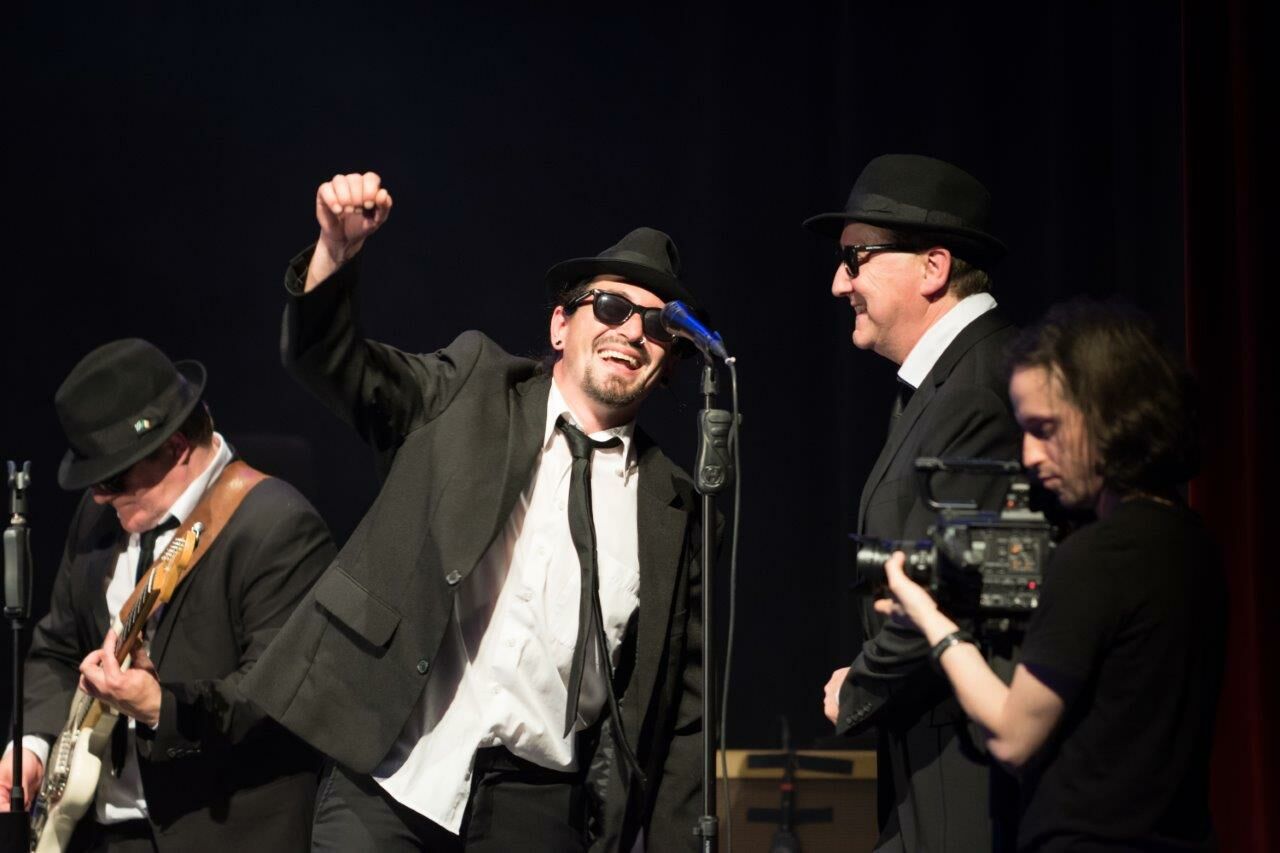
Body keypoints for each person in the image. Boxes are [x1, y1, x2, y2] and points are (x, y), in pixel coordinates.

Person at [240, 172, 705, 852]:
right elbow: (335, 365)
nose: (632, 332)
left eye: (658, 324)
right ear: (561, 324)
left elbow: (684, 712)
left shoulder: (673, 505)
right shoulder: (472, 387)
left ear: (669, 360)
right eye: (611, 306)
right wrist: (334, 254)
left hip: (537, 811)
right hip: (393, 778)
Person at [874, 301, 1225, 851]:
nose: (1030, 456)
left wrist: (930, 619)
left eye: (1046, 430)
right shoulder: (1190, 538)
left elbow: (1014, 737)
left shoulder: (1097, 555)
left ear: (1110, 417)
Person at [0, 338, 335, 852]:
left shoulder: (277, 527)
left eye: (113, 478)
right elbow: (58, 648)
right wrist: (33, 746)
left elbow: (282, 700)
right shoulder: (99, 518)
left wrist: (162, 707)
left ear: (176, 449)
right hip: (105, 835)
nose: (99, 496)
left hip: (222, 834)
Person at [809, 154, 1024, 851]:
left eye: (857, 258)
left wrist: (861, 685)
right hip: (929, 754)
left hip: (967, 764)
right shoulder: (943, 385)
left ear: (933, 268)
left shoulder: (980, 388)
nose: (839, 282)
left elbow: (948, 584)